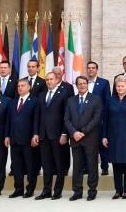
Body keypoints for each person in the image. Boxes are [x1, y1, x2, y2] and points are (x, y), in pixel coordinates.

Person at [102, 75, 126, 199]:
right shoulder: (109, 100)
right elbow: (105, 119)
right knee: (116, 164)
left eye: (122, 86)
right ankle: (118, 190)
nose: (120, 88)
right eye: (118, 86)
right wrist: (104, 136)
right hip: (113, 137)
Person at [65, 76, 102, 201]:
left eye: (84, 83)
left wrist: (83, 132)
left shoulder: (95, 99)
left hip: (90, 138)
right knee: (77, 166)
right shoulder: (71, 100)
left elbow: (96, 118)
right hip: (75, 139)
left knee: (92, 166)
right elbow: (66, 119)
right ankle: (77, 191)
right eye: (79, 84)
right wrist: (74, 132)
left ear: (87, 84)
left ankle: (92, 190)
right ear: (76, 85)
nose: (82, 85)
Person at [34, 72, 71, 200]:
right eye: (47, 79)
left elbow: (67, 116)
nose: (49, 81)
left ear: (57, 80)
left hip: (58, 135)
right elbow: (37, 116)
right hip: (43, 135)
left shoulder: (64, 94)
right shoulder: (41, 95)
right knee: (46, 164)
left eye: (51, 79)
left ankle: (58, 191)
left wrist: (64, 133)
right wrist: (35, 133)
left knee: (59, 164)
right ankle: (46, 190)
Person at [5, 79, 39, 198]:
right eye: (18, 86)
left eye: (23, 86)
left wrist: (35, 134)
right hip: (14, 139)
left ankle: (30, 189)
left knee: (30, 166)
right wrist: (7, 135)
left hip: (28, 140)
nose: (20, 88)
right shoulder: (12, 102)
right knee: (17, 166)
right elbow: (8, 121)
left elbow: (36, 120)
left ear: (29, 87)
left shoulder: (35, 101)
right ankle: (18, 189)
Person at [86, 61, 112, 176]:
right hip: (86, 119)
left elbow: (107, 101)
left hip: (100, 118)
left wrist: (105, 117)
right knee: (87, 144)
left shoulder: (104, 83)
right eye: (89, 68)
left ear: (97, 69)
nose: (91, 70)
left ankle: (104, 167)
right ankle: (86, 167)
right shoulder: (83, 82)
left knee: (102, 144)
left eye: (93, 68)